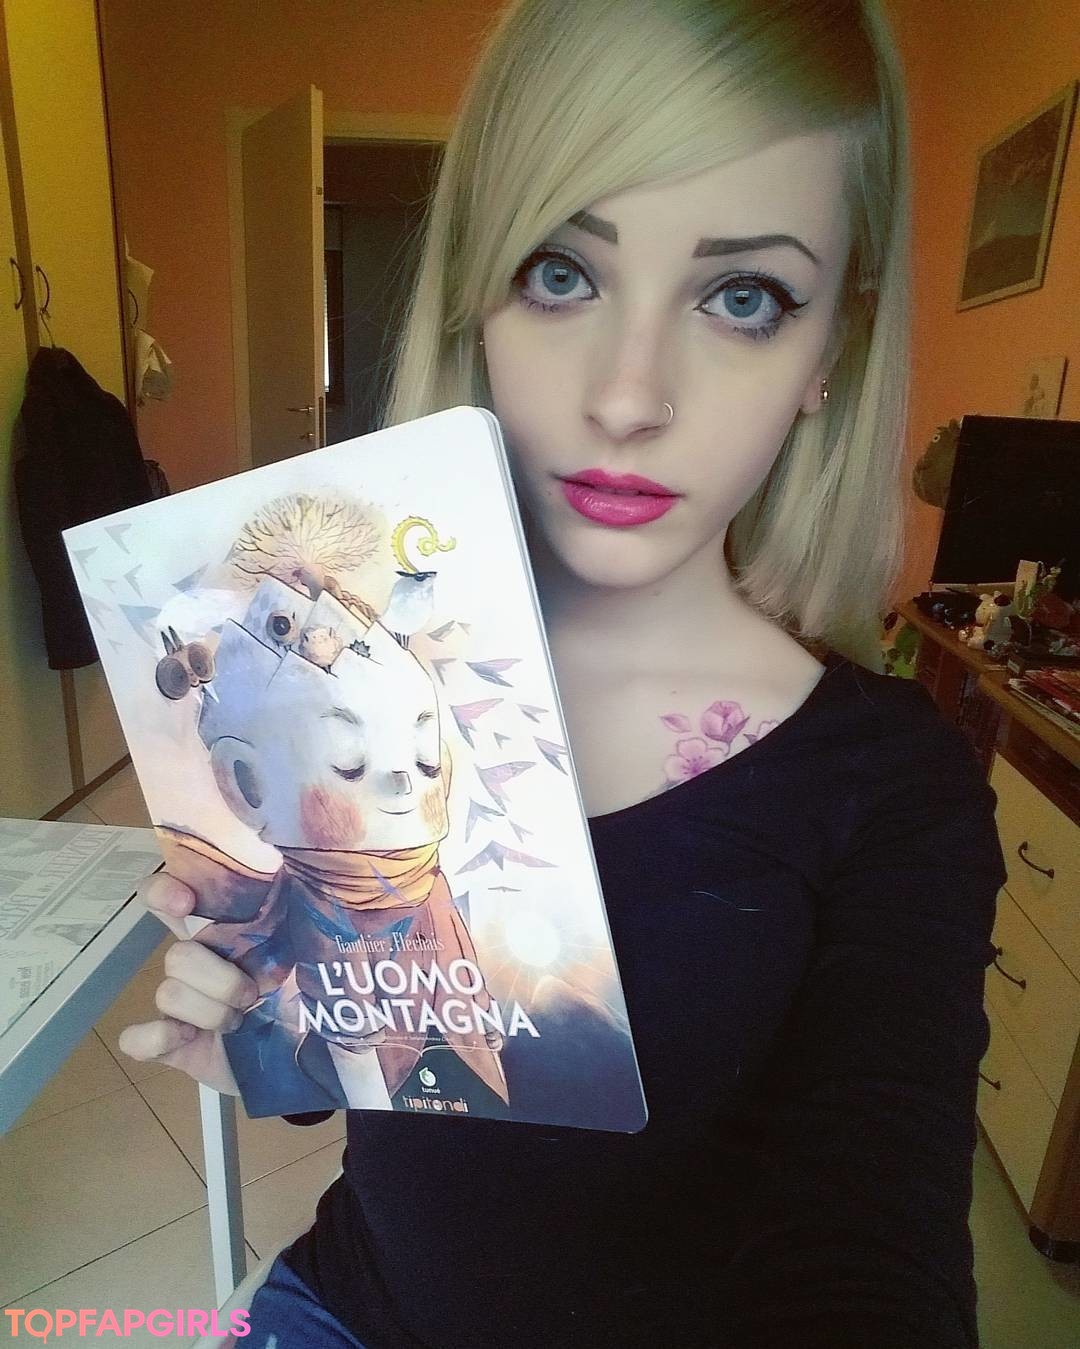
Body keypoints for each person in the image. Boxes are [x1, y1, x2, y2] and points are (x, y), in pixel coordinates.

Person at [119, 1, 1008, 1345]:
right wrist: (271, 1023)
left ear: (830, 348)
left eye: (743, 297)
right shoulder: (363, 683)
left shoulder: (891, 787)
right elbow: (388, 1072)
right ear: (478, 299)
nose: (628, 396)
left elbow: (875, 1246)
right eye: (561, 272)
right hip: (344, 1307)